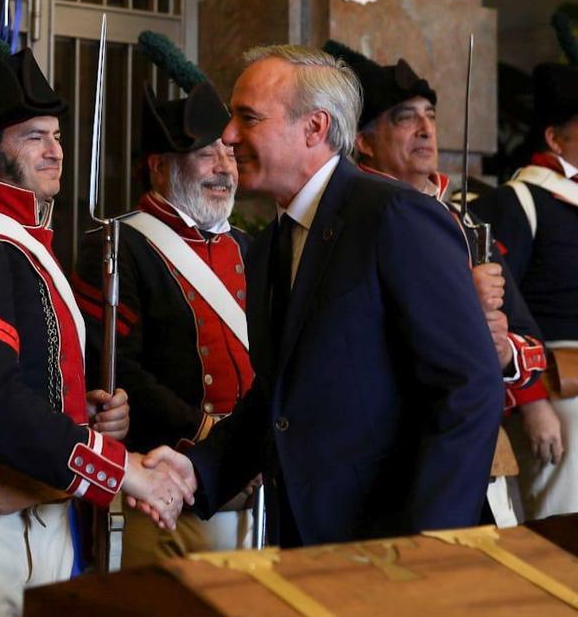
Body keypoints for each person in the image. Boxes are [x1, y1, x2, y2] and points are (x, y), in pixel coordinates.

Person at [151, 44, 504, 547]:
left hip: (400, 550)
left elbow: (468, 388)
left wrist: (428, 546)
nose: (228, 136)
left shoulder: (392, 217)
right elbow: (279, 399)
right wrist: (194, 470)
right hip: (311, 545)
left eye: (247, 118)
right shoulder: (271, 242)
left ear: (314, 128)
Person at [0, 47, 192, 617]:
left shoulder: (21, 238)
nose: (56, 150)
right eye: (33, 137)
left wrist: (90, 416)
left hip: (41, 508)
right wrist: (120, 469)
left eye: (56, 134)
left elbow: (30, 383)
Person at [331, 42, 551, 526]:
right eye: (405, 118)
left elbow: (529, 347)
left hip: (464, 455)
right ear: (364, 141)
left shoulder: (462, 221)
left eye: (429, 115)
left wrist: (501, 351)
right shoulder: (346, 223)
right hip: (379, 467)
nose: (425, 129)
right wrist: (463, 311)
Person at [74, 81, 257, 560]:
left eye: (229, 153)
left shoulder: (250, 248)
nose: (224, 168)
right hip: (166, 496)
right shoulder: (116, 244)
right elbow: (118, 371)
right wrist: (211, 437)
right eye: (205, 154)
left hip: (254, 499)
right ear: (158, 166)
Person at [473, 60, 578, 520]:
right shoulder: (516, 203)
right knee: (564, 533)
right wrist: (533, 404)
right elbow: (502, 312)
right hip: (561, 386)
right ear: (555, 139)